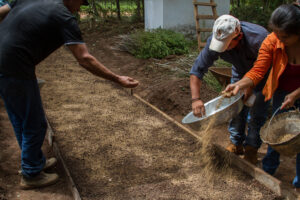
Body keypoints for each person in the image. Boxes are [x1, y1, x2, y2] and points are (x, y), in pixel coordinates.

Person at [0, 0, 139, 189]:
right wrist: (117, 79)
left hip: (9, 64)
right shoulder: (63, 16)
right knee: (34, 122)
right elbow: (84, 58)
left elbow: (2, 11)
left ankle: (34, 161)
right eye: (81, 2)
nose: (80, 8)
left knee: (19, 117)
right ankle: (31, 173)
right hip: (14, 68)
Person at [224, 3, 300, 189]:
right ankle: (267, 173)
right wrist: (239, 84)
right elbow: (258, 71)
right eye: (276, 34)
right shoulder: (273, 40)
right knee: (276, 133)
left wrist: (297, 94)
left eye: (285, 36)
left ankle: (298, 183)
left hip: (296, 91)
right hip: (283, 92)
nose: (279, 40)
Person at [190, 14, 270, 164]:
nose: (223, 48)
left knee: (257, 114)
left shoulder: (259, 39)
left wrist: (249, 88)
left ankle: (251, 149)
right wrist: (196, 99)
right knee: (235, 109)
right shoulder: (216, 39)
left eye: (227, 44)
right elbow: (197, 70)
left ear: (238, 36)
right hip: (240, 72)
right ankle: (236, 143)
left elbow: (263, 69)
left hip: (264, 76)